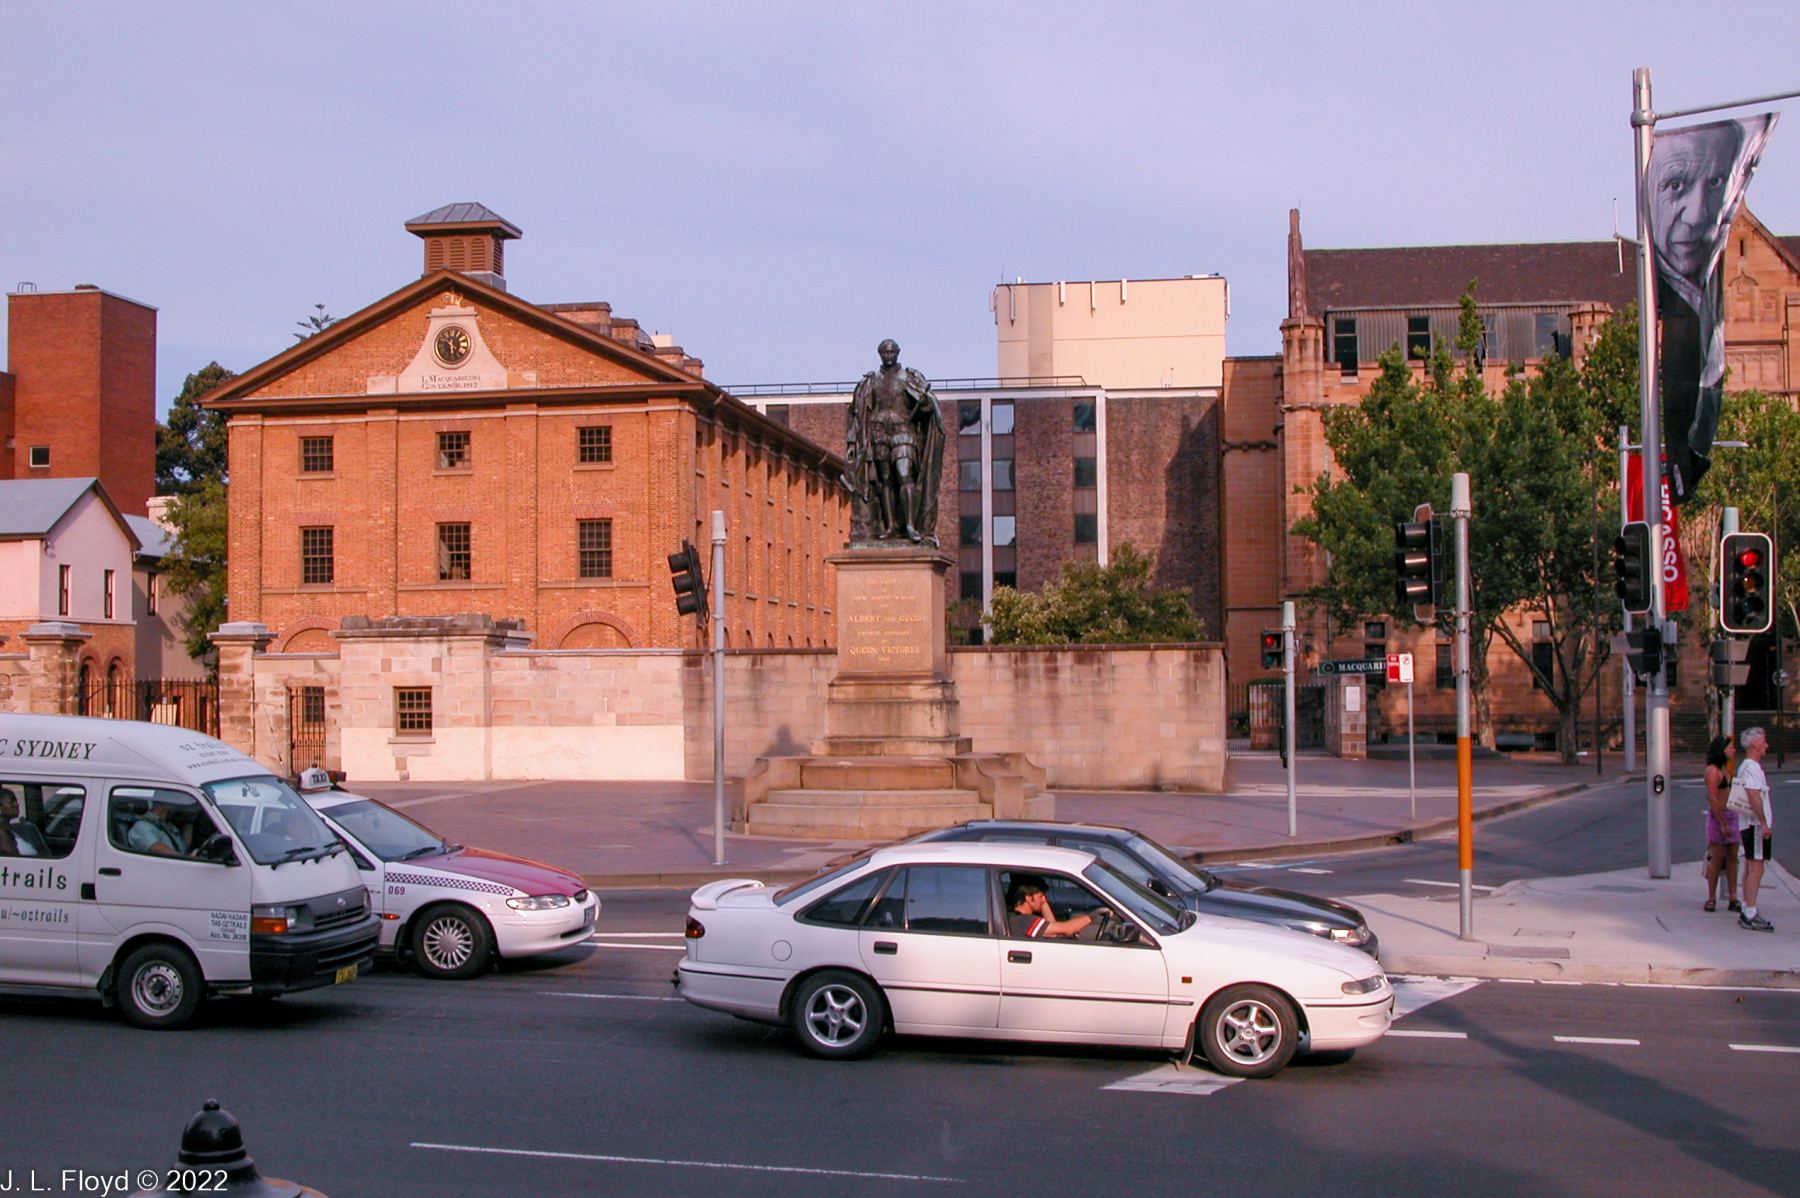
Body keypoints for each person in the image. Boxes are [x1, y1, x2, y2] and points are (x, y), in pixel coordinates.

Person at [844, 339, 945, 544]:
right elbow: (858, 413)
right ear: (879, 354)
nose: (888, 356)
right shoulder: (871, 381)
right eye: (884, 352)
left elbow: (928, 408)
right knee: (885, 482)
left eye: (891, 352)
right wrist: (853, 441)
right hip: (878, 434)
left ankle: (909, 525)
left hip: (903, 432)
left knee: (904, 475)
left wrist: (925, 403)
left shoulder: (910, 377)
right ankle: (890, 526)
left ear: (897, 353)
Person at [1734, 727, 1775, 932]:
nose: (1766, 745)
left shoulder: (1749, 766)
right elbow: (1752, 794)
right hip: (1754, 824)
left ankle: (1746, 905)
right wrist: (1763, 822)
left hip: (1749, 824)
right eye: (1763, 741)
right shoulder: (1751, 768)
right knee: (1756, 867)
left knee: (1751, 865)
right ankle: (1750, 911)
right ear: (1754, 743)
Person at [1703, 735, 1741, 913]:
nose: (1733, 750)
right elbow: (1713, 798)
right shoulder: (1712, 771)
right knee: (1717, 857)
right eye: (1730, 747)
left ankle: (1733, 896)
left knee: (1733, 856)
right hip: (1719, 817)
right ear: (1721, 749)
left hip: (1732, 815)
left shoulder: (1726, 769)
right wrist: (1723, 823)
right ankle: (1711, 897)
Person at [1005, 876, 1107, 939]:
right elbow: (1068, 928)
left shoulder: (1018, 917)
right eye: (1041, 896)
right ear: (1029, 898)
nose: (1044, 900)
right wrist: (1096, 913)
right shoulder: (1024, 920)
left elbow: (1053, 931)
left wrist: (1043, 903)